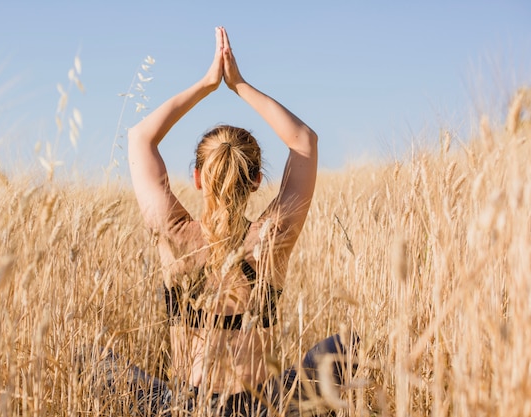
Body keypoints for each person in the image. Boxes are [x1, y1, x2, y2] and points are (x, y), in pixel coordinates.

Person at [121, 27, 355, 416]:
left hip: (185, 405)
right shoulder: (270, 238)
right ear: (257, 181)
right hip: (259, 407)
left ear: (197, 178)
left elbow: (139, 139)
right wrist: (239, 84)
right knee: (345, 346)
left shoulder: (175, 235)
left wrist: (207, 83)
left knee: (94, 361)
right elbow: (304, 142)